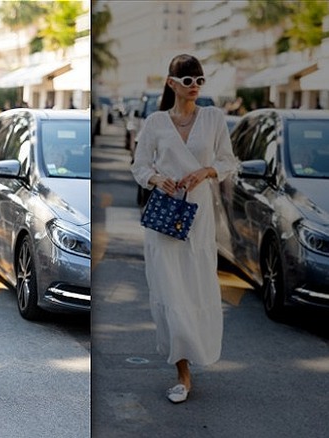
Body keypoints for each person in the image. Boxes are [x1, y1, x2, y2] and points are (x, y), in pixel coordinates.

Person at [130, 54, 238, 404]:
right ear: (171, 83)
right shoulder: (156, 122)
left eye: (199, 80)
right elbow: (140, 165)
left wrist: (206, 171)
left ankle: (195, 354)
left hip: (200, 218)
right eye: (187, 80)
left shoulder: (213, 119)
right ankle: (182, 372)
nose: (194, 87)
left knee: (196, 289)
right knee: (170, 293)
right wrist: (155, 178)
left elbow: (228, 161)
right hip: (164, 219)